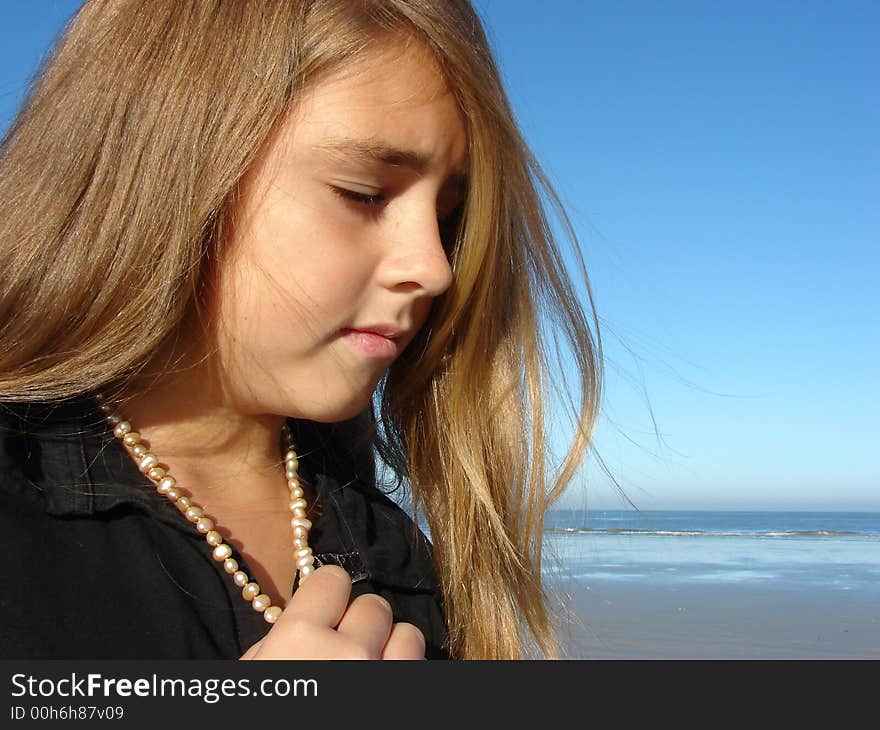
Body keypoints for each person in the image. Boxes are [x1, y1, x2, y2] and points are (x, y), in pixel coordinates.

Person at [0, 0, 601, 660]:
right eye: (364, 193)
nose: (434, 268)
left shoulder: (390, 549)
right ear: (163, 170)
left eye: (448, 218)